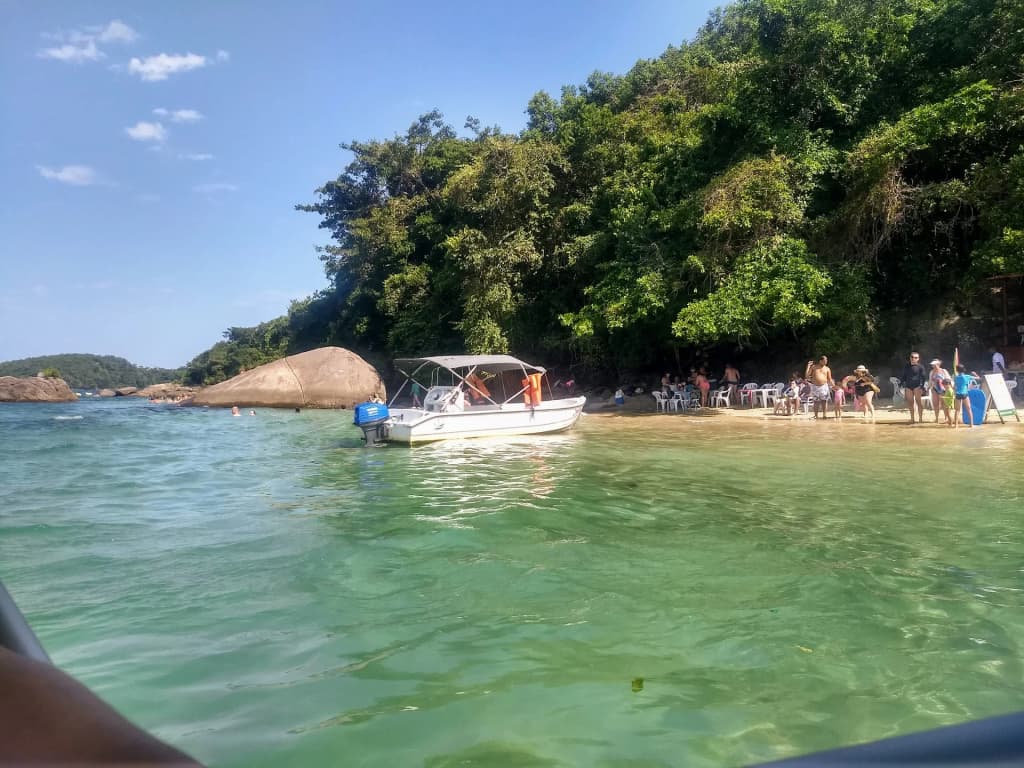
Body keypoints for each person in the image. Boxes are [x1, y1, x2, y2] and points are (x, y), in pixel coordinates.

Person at [900, 352, 928, 424]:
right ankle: (912, 419)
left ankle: (920, 419)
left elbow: (924, 377)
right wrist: (902, 383)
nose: (913, 359)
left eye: (915, 357)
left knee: (918, 402)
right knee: (910, 403)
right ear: (910, 358)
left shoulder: (920, 367)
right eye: (912, 357)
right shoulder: (906, 366)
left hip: (917, 386)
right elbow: (903, 376)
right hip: (908, 386)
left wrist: (922, 387)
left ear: (918, 359)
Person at [804, 356, 834, 420]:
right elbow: (807, 376)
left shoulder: (827, 369)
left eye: (826, 361)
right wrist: (808, 366)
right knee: (816, 401)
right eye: (824, 361)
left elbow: (829, 379)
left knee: (824, 401)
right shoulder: (814, 367)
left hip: (824, 386)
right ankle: (816, 415)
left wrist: (834, 386)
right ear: (820, 361)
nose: (826, 362)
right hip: (815, 386)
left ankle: (824, 415)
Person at [952, 364, 980, 429]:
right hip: (964, 393)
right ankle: (971, 425)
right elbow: (978, 378)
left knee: (957, 410)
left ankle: (956, 426)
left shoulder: (956, 377)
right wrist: (975, 374)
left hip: (958, 394)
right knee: (969, 409)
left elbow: (954, 387)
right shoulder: (967, 376)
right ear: (963, 369)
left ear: (957, 370)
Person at [928, 359, 953, 425]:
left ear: (938, 364)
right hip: (935, 389)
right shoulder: (931, 372)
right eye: (932, 365)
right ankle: (936, 418)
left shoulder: (943, 371)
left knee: (944, 404)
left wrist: (950, 388)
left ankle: (946, 418)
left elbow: (949, 379)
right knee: (935, 404)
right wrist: (929, 388)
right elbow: (930, 380)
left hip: (943, 389)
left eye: (935, 365)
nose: (933, 366)